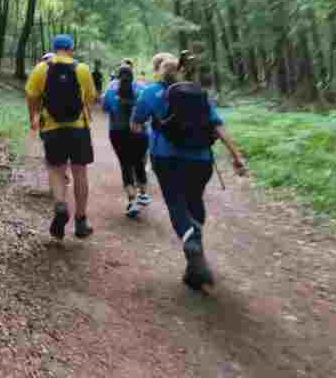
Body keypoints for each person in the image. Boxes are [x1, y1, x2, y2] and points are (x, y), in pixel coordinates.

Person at [132, 52, 247, 291]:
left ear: (160, 73)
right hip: (201, 160)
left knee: (176, 203)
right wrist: (237, 158)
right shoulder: (198, 94)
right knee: (194, 201)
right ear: (182, 72)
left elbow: (135, 124)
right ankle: (195, 266)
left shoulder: (151, 92)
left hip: (167, 158)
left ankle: (191, 243)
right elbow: (218, 126)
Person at [25, 34, 97, 240]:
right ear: (71, 48)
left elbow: (31, 95)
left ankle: (60, 206)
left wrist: (33, 117)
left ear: (54, 48)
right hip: (78, 128)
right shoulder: (81, 69)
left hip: (52, 128)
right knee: (80, 172)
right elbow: (91, 97)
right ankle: (81, 221)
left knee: (56, 170)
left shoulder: (42, 68)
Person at [102, 64, 151, 218]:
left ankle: (132, 201)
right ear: (133, 75)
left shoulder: (110, 92)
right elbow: (148, 111)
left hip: (117, 132)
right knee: (139, 162)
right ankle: (143, 193)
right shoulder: (142, 90)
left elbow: (105, 108)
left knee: (125, 164)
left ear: (117, 76)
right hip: (140, 132)